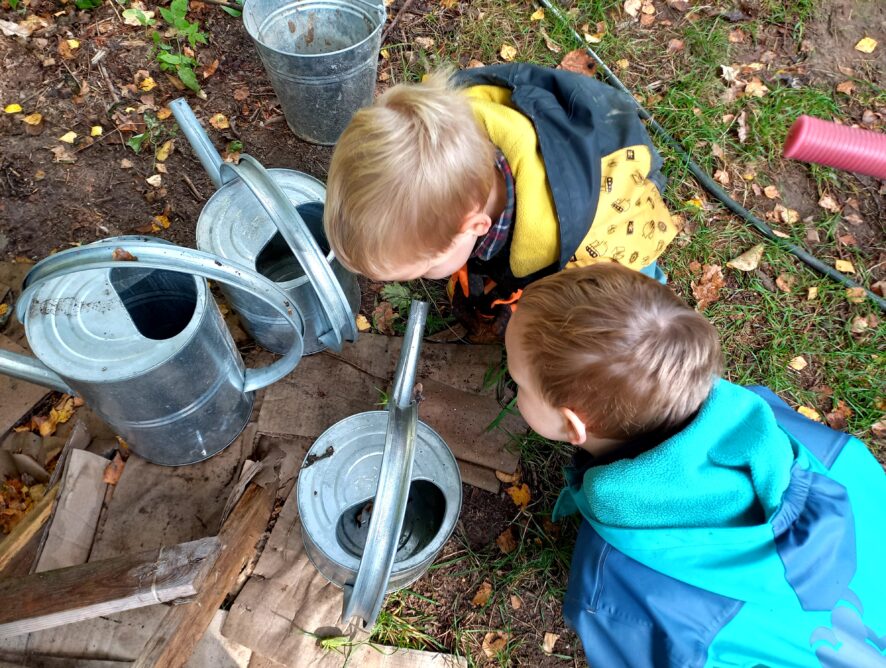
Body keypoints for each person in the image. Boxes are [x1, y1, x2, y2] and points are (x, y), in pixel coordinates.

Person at [504, 262, 886, 667]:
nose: (514, 392)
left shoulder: (613, 595)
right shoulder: (780, 427)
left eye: (518, 384)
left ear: (572, 424)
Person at [323, 63, 677, 340]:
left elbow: (625, 282)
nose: (426, 277)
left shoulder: (589, 240)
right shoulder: (453, 135)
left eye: (425, 269)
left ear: (475, 227)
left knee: (611, 307)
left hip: (616, 206)